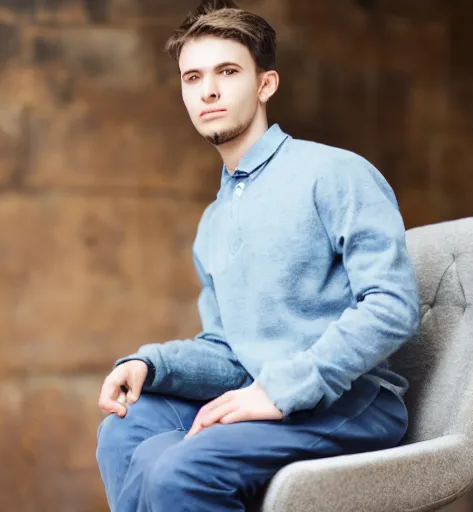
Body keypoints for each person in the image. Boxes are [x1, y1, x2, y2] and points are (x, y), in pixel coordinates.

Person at [95, 1, 421, 510]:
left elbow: (392, 303)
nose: (208, 91)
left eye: (228, 72)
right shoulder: (214, 221)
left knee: (181, 469)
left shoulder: (334, 173)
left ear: (266, 84)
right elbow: (229, 349)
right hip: (259, 391)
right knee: (124, 432)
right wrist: (150, 364)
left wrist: (278, 390)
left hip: (352, 401)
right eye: (192, 77)